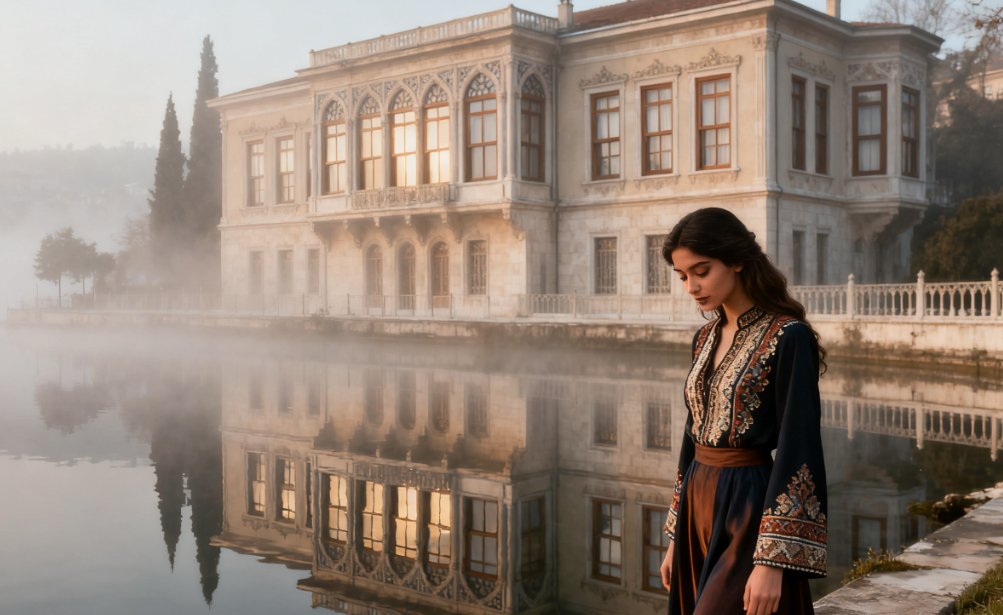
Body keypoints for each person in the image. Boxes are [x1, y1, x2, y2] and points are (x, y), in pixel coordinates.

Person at [658, 207, 828, 615]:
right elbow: (692, 435)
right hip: (697, 499)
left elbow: (799, 447)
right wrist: (675, 537)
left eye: (701, 271)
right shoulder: (705, 338)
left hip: (748, 503)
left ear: (736, 259)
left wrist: (772, 561)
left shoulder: (788, 337)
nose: (692, 287)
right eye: (683, 276)